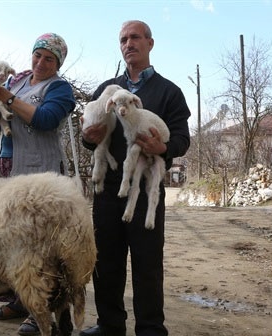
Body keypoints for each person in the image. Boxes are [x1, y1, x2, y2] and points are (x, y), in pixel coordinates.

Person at [79, 20, 191, 336]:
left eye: (136, 38)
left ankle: (151, 328)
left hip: (145, 188)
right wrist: (88, 136)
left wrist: (164, 147)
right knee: (106, 261)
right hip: (108, 190)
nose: (129, 43)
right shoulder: (106, 91)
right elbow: (89, 135)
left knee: (147, 263)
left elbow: (182, 136)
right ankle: (109, 324)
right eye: (124, 39)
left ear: (150, 43)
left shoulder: (169, 92)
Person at [0, 32, 77, 336]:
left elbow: (45, 120)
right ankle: (23, 300)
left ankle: (44, 309)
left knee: (42, 243)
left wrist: (6, 98)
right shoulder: (17, 80)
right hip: (8, 168)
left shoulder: (60, 88)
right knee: (15, 241)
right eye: (38, 55)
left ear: (58, 62)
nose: (41, 62)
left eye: (49, 58)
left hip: (40, 175)